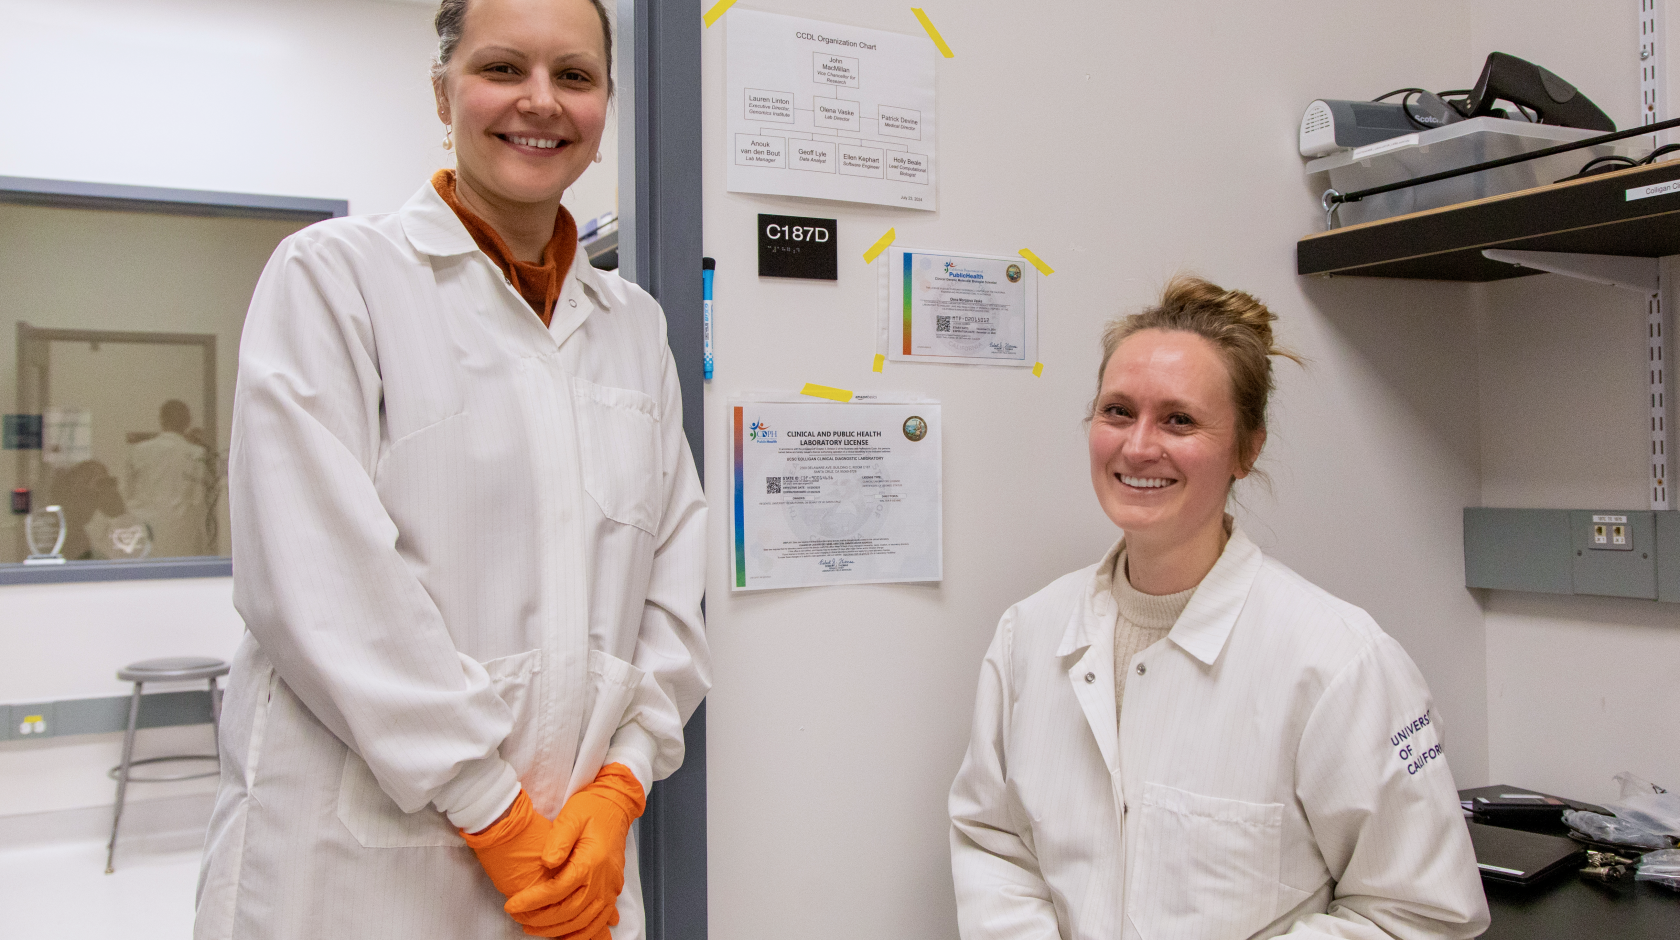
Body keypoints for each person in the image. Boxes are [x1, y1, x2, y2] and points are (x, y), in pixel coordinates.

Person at [194, 1, 708, 938]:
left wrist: (623, 782)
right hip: (356, 863)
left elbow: (672, 580)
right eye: (503, 69)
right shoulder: (336, 277)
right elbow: (317, 581)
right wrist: (493, 810)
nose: (540, 102)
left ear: (605, 107)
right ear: (443, 93)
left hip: (573, 859)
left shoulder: (633, 325)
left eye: (575, 76)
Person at [948, 276, 1488, 940]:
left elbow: (1420, 914)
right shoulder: (1028, 635)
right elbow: (994, 843)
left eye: (1179, 420)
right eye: (1118, 411)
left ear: (1247, 449)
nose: (1138, 446)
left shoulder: (1341, 663)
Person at [123, 399, 209, 557]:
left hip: (143, 526)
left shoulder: (138, 451)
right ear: (188, 422)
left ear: (161, 419)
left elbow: (128, 493)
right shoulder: (196, 454)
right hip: (180, 529)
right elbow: (198, 500)